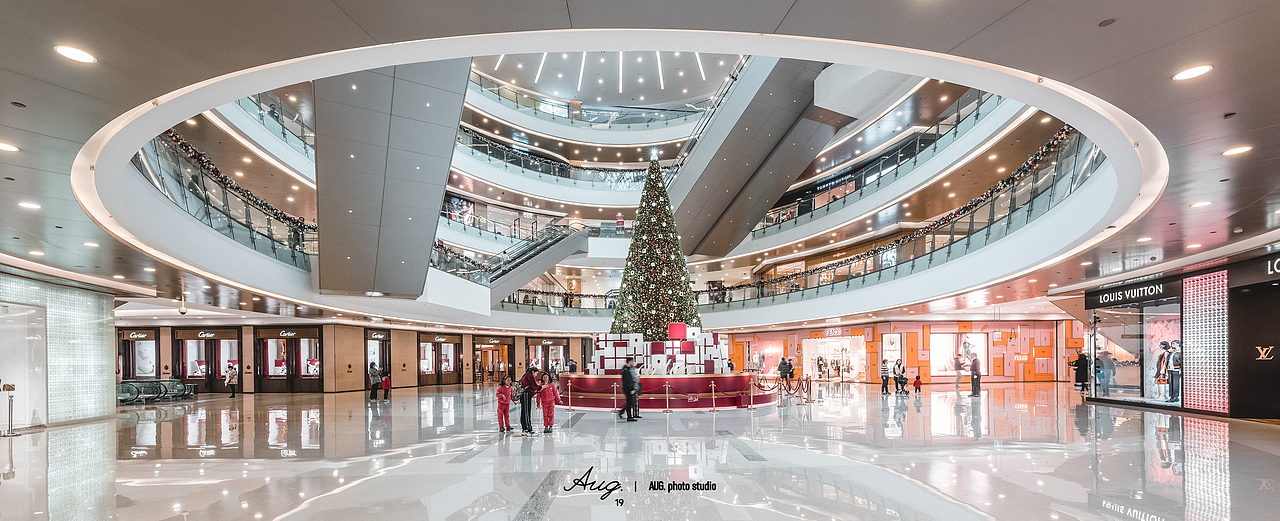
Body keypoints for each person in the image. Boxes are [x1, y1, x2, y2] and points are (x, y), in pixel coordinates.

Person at [518, 366, 538, 434]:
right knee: (526, 411)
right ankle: (528, 428)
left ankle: (525, 428)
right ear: (533, 372)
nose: (536, 375)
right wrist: (540, 387)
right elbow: (534, 385)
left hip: (524, 394)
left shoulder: (526, 375)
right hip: (526, 394)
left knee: (524, 411)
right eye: (536, 373)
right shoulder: (530, 375)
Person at [620, 357, 640, 421]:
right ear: (629, 361)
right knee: (629, 402)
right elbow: (627, 380)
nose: (633, 363)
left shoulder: (626, 369)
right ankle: (628, 416)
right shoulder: (626, 370)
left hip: (627, 387)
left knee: (629, 402)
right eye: (632, 361)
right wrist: (631, 389)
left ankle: (624, 412)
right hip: (627, 388)